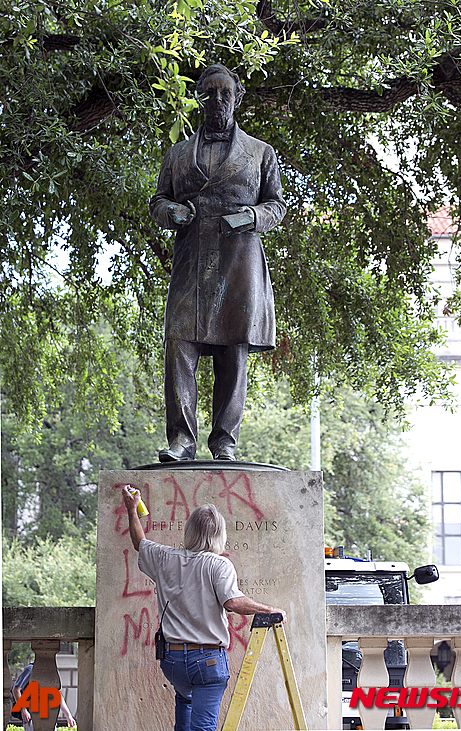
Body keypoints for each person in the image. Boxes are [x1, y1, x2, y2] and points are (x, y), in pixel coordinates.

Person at [149, 63, 286, 463]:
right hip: (192, 260)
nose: (217, 101)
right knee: (179, 343)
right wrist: (170, 211)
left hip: (239, 263)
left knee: (233, 351)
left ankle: (225, 440)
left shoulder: (261, 153)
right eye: (209, 93)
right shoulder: (177, 155)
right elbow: (158, 200)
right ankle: (182, 441)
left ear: (237, 97)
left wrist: (251, 218)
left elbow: (277, 204)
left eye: (225, 93)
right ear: (199, 99)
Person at [122, 485, 287, 731]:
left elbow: (140, 542)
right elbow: (232, 602)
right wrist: (270, 609)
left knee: (185, 699)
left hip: (173, 661)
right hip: (208, 661)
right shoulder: (219, 565)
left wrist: (132, 510)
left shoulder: (166, 558)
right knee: (204, 726)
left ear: (189, 531)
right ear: (220, 536)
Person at [12, 661, 76, 730]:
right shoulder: (30, 670)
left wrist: (68, 715)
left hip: (49, 717)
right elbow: (16, 690)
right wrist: (23, 710)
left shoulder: (52, 671)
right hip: (33, 718)